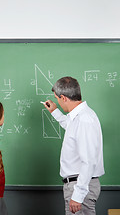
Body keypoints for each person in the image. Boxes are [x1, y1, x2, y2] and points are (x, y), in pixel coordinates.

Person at [43, 77, 105, 215]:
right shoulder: (79, 117)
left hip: (80, 185)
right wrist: (54, 111)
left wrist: (78, 196)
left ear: (64, 98)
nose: (57, 102)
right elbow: (71, 129)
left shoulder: (84, 120)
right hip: (78, 184)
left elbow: (89, 161)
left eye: (57, 99)